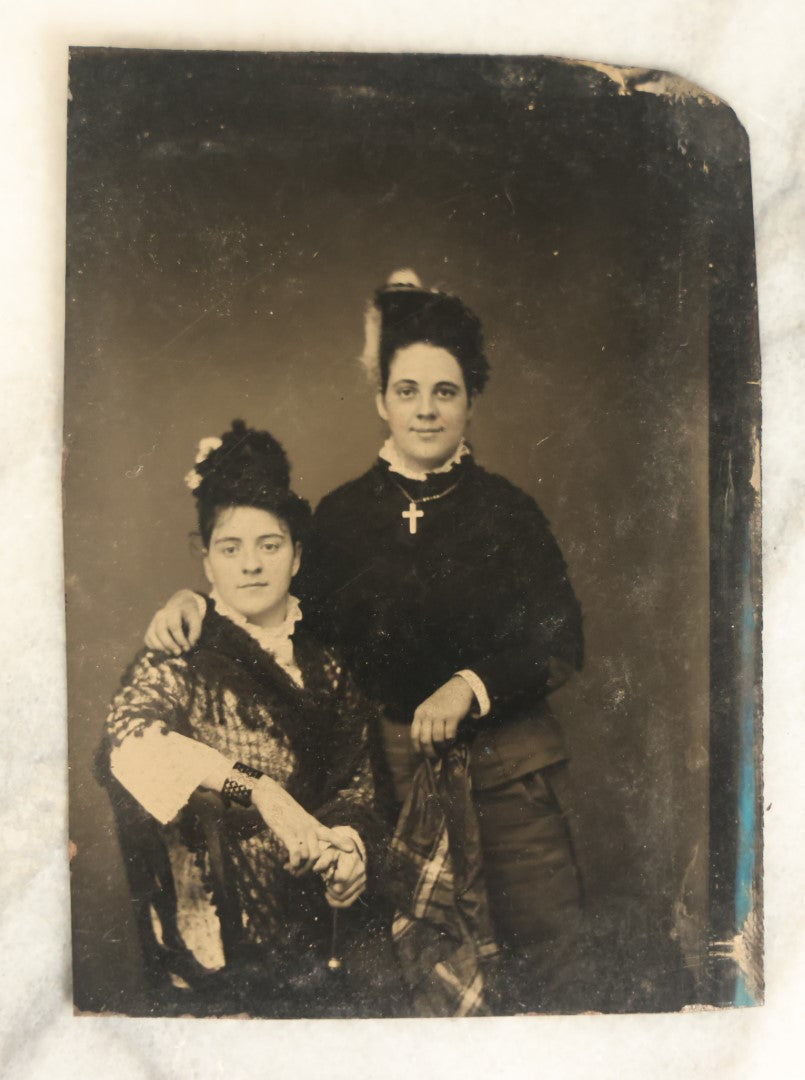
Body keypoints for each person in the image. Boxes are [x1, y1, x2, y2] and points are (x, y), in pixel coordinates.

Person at [146, 272, 586, 1012]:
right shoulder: (344, 517)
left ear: (469, 399)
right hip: (391, 779)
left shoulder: (509, 512)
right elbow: (276, 598)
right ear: (381, 400)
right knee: (413, 971)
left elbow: (560, 636)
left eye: (444, 392)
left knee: (550, 961)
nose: (424, 409)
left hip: (509, 777)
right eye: (406, 390)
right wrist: (197, 597)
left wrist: (468, 685)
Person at [102, 421, 392, 1017]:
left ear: (297, 556)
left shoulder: (327, 665)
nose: (252, 565)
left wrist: (348, 852)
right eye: (230, 548)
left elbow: (358, 783)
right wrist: (258, 790)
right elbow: (131, 744)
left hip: (317, 938)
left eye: (271, 544)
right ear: (204, 561)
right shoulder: (180, 651)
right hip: (218, 950)